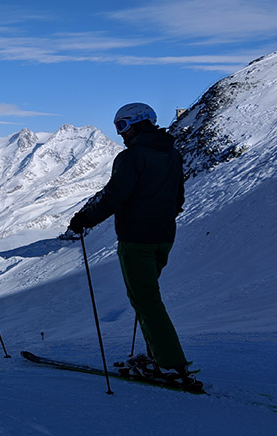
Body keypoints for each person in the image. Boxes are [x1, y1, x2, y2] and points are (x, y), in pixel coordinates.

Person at [68, 103, 194, 381]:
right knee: (148, 297)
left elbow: (114, 197)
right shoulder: (172, 154)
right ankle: (156, 355)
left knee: (146, 301)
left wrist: (84, 219)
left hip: (136, 240)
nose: (120, 133)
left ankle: (169, 363)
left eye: (122, 126)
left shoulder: (131, 157)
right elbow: (178, 199)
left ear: (139, 124)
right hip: (164, 237)